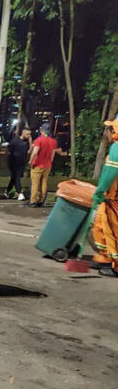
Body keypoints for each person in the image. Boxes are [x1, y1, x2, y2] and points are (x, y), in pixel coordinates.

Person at [91, 118, 118, 278]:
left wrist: (100, 191)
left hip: (114, 198)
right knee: (100, 226)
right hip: (111, 198)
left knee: (114, 232)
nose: (106, 132)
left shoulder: (116, 148)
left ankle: (116, 266)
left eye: (109, 129)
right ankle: (106, 257)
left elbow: (109, 174)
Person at [28, 124, 64, 208]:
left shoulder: (38, 140)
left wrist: (30, 161)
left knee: (35, 183)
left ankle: (33, 201)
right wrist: (49, 162)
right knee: (44, 182)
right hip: (47, 164)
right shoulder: (53, 141)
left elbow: (35, 152)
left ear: (42, 130)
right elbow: (52, 154)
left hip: (37, 164)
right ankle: (41, 200)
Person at [6, 128, 31, 201]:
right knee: (17, 177)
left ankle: (7, 191)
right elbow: (9, 151)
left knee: (14, 178)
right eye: (27, 134)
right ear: (23, 133)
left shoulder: (26, 142)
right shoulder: (14, 141)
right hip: (14, 162)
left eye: (30, 134)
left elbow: (29, 152)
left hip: (22, 162)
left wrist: (30, 142)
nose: (29, 136)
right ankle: (19, 192)